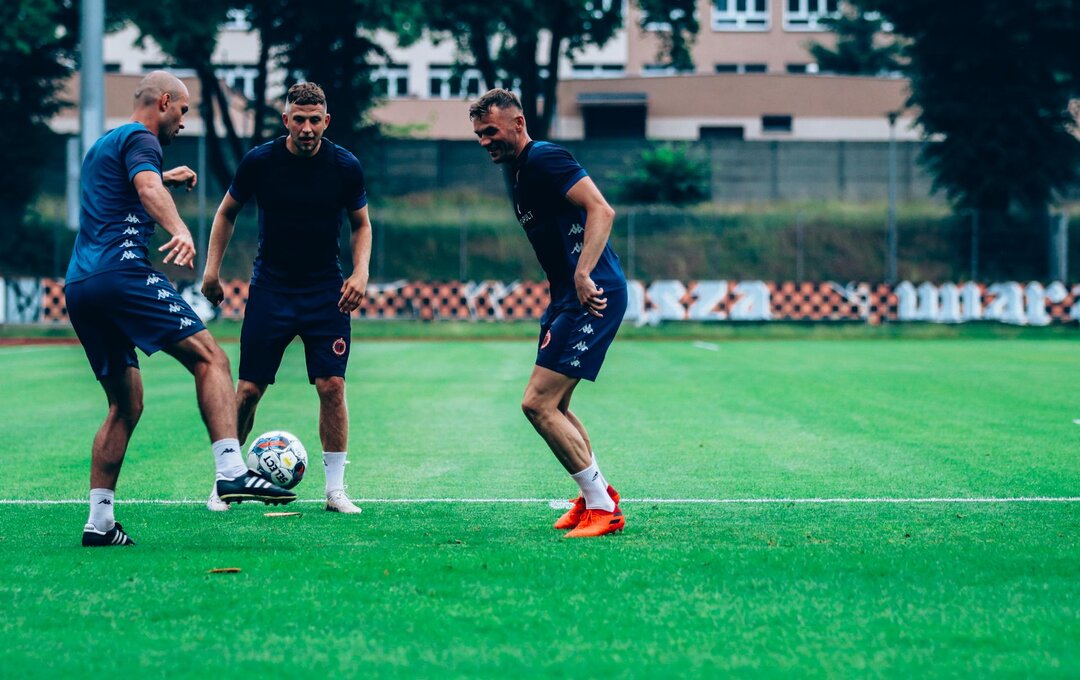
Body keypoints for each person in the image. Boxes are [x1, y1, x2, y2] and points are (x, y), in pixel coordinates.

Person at [67, 71, 297, 547]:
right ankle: (231, 470)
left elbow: (126, 187)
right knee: (211, 358)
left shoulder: (105, 144)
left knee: (126, 403)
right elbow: (145, 188)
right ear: (164, 101)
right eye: (184, 110)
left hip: (81, 287)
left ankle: (100, 522)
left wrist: (165, 178)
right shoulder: (142, 139)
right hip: (121, 274)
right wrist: (180, 229)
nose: (184, 121)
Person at [201, 82, 371, 515]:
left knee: (332, 386)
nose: (307, 128)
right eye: (299, 119)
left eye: (315, 120)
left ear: (326, 121)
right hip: (271, 291)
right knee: (248, 390)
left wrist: (360, 272)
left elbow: (361, 224)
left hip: (326, 293)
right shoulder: (260, 161)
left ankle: (335, 491)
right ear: (286, 120)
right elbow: (226, 212)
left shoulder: (345, 166)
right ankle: (225, 482)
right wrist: (211, 271)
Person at [469, 89, 627, 538]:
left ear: (518, 124)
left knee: (536, 404)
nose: (485, 141)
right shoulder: (522, 171)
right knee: (554, 405)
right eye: (479, 134)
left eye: (491, 131)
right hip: (565, 298)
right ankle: (596, 496)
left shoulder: (544, 158)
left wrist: (583, 273)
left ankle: (603, 507)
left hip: (590, 294)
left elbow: (602, 210)